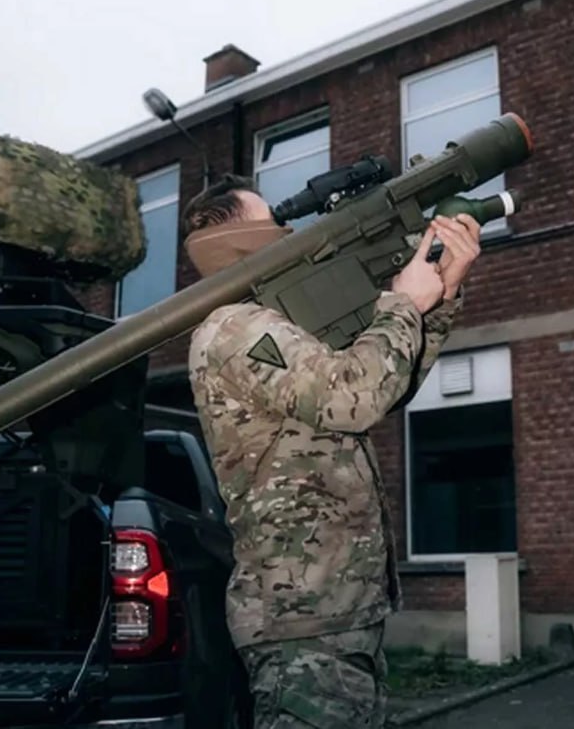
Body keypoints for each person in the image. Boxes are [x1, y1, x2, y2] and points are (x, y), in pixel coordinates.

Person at [181, 174, 481, 728]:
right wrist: (402, 304)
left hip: (336, 609)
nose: (284, 229)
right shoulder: (233, 328)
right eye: (269, 219)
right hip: (302, 616)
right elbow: (354, 397)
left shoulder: (275, 321)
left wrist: (437, 300)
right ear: (235, 237)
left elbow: (385, 384)